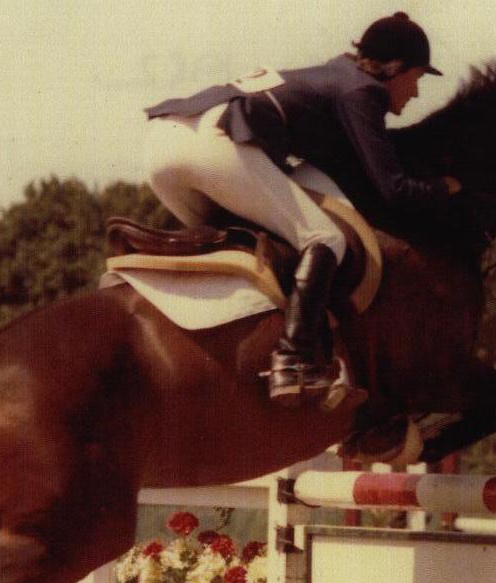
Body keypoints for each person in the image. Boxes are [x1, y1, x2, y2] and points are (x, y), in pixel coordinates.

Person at [144, 12, 462, 406]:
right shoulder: (362, 91)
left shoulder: (336, 77)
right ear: (394, 70)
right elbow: (393, 190)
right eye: (415, 79)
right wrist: (442, 189)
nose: (414, 93)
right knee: (324, 236)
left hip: (165, 143)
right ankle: (292, 361)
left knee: (259, 246)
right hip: (212, 144)